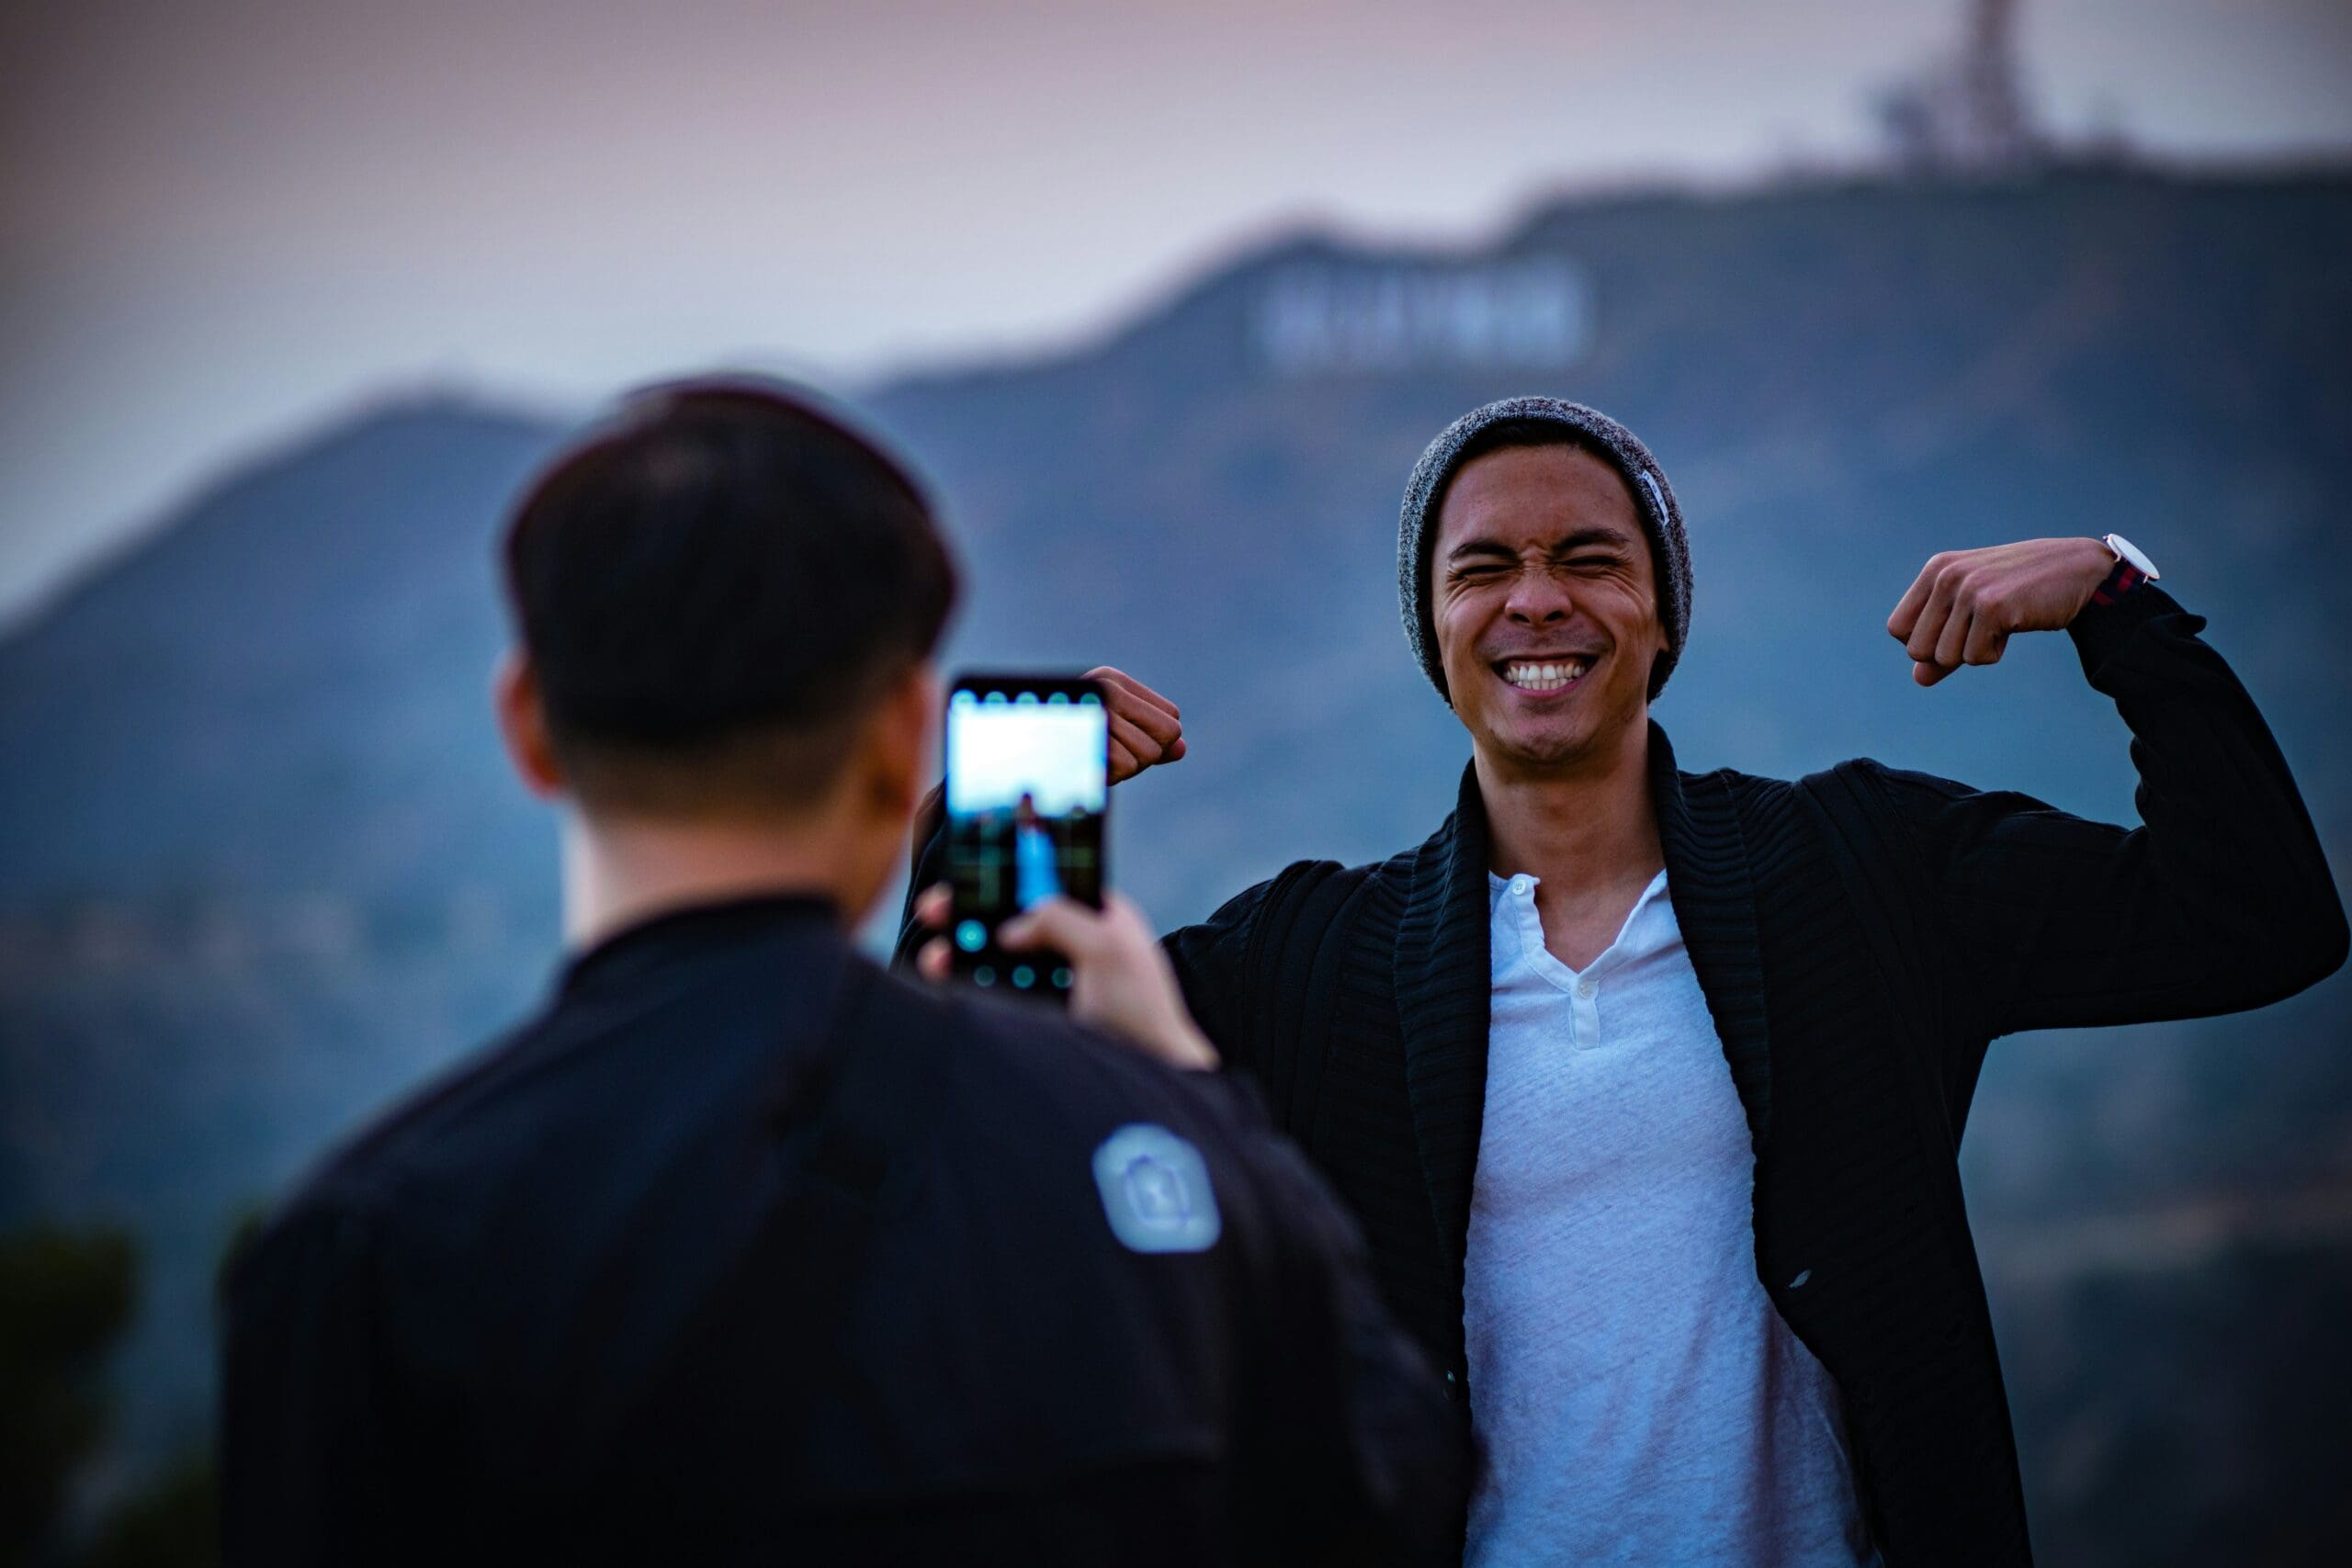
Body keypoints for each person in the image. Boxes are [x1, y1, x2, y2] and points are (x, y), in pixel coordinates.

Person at [904, 394, 2348, 1566]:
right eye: (1484, 570)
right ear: (1439, 641)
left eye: (1590, 559)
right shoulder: (1314, 959)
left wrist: (2118, 603)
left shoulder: (1856, 871)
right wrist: (1000, 807)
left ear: (1660, 617)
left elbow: (2257, 918)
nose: (1538, 601)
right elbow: (968, 1102)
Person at [218, 379, 1466, 1566]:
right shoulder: (1147, 1160)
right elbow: (1389, 1489)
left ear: (528, 725)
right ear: (899, 737)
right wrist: (1193, 1088)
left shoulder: (366, 1249)